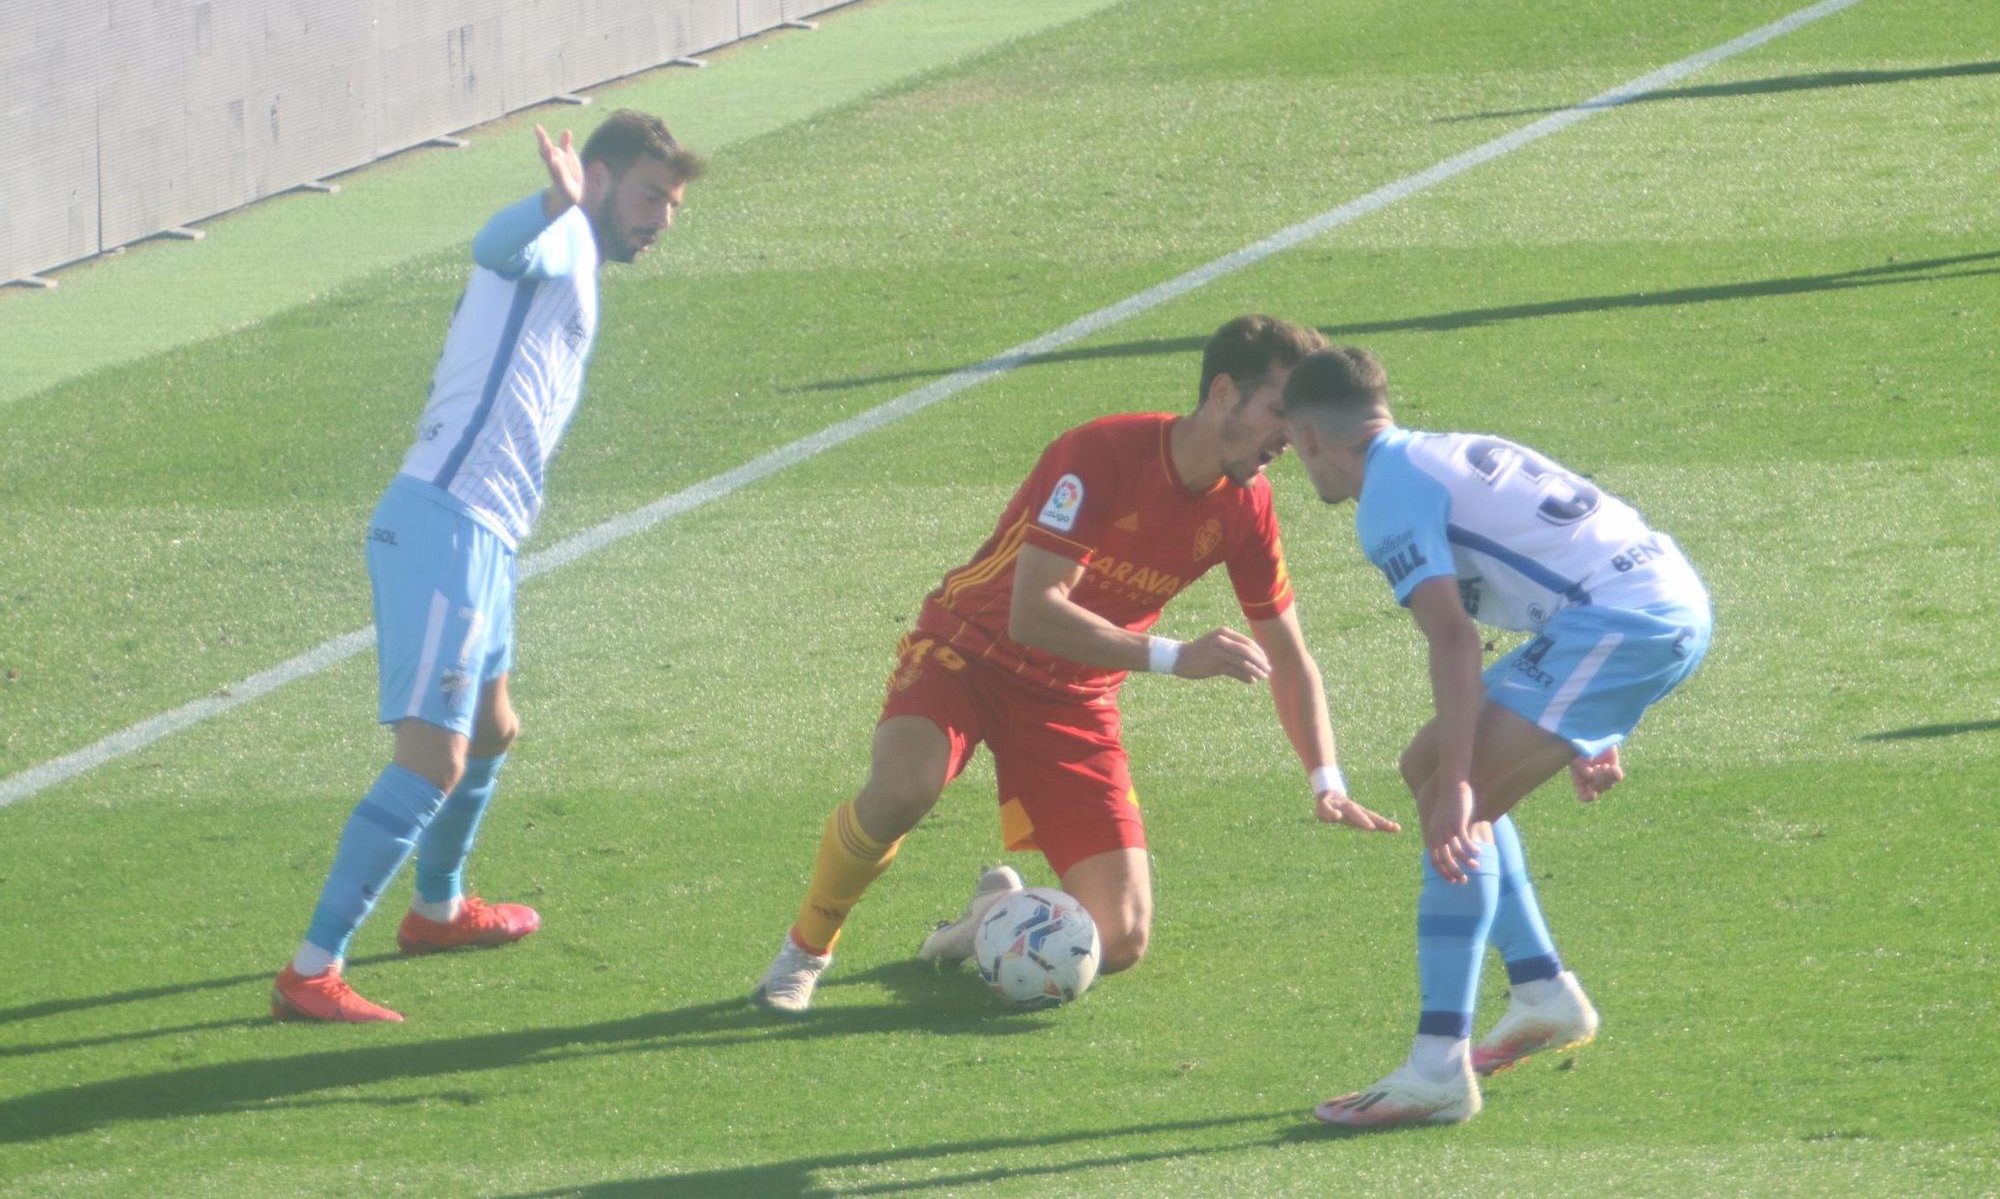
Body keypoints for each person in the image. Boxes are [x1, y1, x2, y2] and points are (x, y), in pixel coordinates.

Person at [750, 315, 1401, 1014]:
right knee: (904, 788)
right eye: (1279, 411)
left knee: (1119, 939)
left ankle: (989, 922)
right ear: (1222, 394)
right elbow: (1034, 610)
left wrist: (1326, 780)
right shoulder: (1103, 453)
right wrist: (1174, 656)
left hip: (1071, 696)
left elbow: (1290, 655)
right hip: (970, 651)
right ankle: (805, 951)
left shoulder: (1248, 505)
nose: (1291, 437)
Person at [272, 111, 704, 1022]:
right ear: (596, 179)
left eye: (672, 202)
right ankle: (312, 970)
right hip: (446, 526)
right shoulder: (554, 238)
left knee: (495, 730)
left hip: (488, 537)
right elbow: (494, 245)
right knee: (432, 760)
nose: (664, 216)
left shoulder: (580, 256)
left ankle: (436, 910)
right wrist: (556, 200)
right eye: (651, 195)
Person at [1280, 346, 1711, 1126]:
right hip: (1638, 604)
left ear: (1310, 438)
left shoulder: (1385, 496)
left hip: (1625, 622)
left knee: (1455, 801)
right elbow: (1574, 550)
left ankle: (1438, 1064)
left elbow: (1452, 639)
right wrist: (1585, 722)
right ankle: (1543, 990)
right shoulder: (1439, 450)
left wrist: (1465, 785)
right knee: (1424, 765)